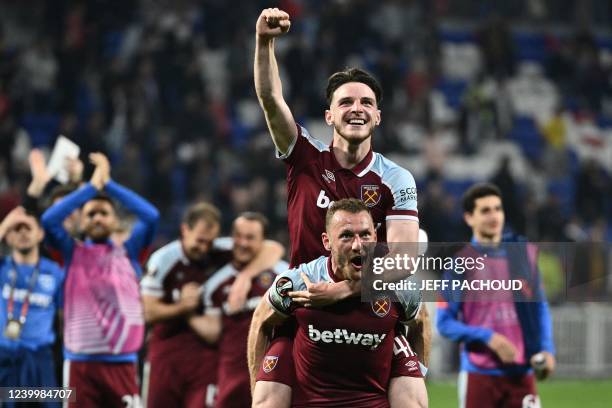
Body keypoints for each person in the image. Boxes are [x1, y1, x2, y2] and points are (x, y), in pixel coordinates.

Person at [246, 7, 429, 407]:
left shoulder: (396, 179)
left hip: (370, 305)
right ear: (329, 115)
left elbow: (402, 259)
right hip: (305, 305)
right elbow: (270, 98)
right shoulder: (305, 157)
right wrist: (265, 42)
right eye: (345, 102)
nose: (356, 108)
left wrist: (344, 289)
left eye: (366, 101)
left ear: (378, 116)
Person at [248, 199, 422, 407]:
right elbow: (262, 322)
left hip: (372, 398)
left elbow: (420, 324)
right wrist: (256, 385)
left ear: (375, 238)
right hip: (311, 398)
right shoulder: (299, 282)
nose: (358, 245)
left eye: (365, 234)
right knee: (281, 347)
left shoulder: (400, 286)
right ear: (327, 241)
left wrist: (418, 370)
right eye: (347, 236)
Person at [41, 152, 159, 407]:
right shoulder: (70, 253)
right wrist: (91, 188)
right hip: (80, 363)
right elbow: (48, 220)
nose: (97, 218)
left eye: (104, 213)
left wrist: (108, 185)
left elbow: (151, 216)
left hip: (123, 364)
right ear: (82, 222)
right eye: (91, 214)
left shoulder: (129, 252)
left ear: (115, 220)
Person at [140, 204, 284, 408]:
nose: (204, 248)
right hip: (166, 354)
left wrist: (245, 276)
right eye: (199, 241)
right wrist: (184, 306)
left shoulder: (221, 249)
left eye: (209, 242)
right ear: (184, 230)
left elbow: (273, 248)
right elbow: (148, 312)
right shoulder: (163, 260)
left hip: (205, 357)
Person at [436, 183, 556, 408]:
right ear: (469, 218)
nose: (494, 216)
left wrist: (547, 349)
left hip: (522, 373)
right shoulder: (460, 263)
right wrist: (488, 337)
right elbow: (444, 324)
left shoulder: (523, 256)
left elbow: (541, 307)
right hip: (479, 374)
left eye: (497, 209)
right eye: (485, 210)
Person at [188, 212, 288, 408]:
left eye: (250, 238)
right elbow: (213, 332)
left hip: (273, 374)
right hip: (231, 377)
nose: (242, 243)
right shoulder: (216, 283)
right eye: (238, 236)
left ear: (263, 241)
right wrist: (186, 310)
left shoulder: (283, 277)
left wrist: (246, 276)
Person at [0, 207, 64, 408]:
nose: (23, 233)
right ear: (7, 237)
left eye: (27, 227)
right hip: (5, 358)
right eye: (16, 229)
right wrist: (4, 225)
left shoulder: (55, 272)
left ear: (40, 234)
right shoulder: (1, 267)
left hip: (40, 358)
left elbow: (64, 318)